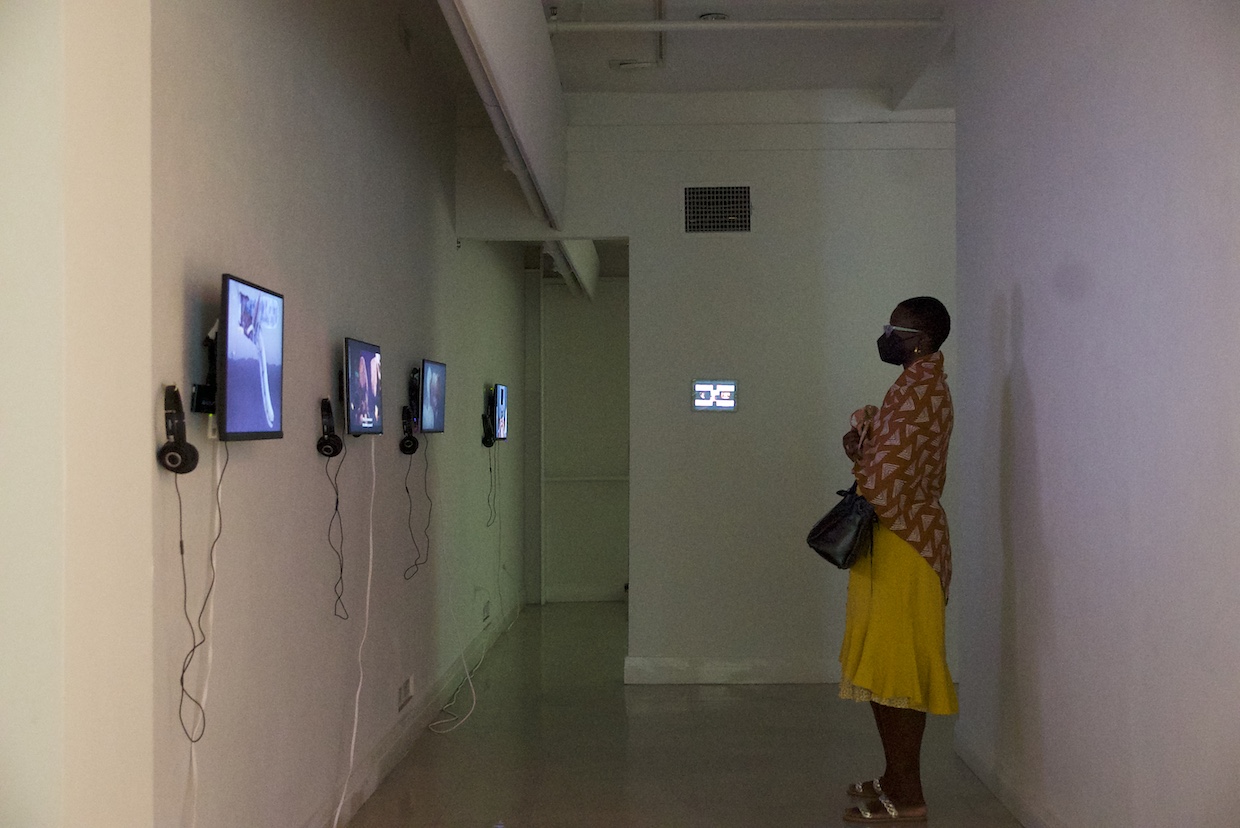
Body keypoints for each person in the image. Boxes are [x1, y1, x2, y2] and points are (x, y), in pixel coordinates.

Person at [838, 296, 957, 824]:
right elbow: (889, 456)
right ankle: (894, 775)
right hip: (898, 538)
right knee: (886, 667)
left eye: (895, 328)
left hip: (906, 543)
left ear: (921, 340)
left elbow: (885, 475)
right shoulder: (916, 385)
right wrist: (865, 435)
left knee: (899, 672)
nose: (886, 335)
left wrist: (862, 448)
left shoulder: (920, 389)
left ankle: (908, 794)